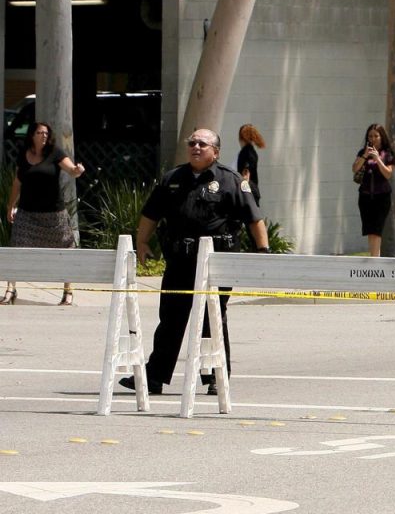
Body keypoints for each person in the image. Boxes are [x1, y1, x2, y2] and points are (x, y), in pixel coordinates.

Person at [121, 128, 267, 396]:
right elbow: (151, 214)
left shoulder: (231, 181)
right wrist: (142, 242)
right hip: (180, 260)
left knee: (213, 320)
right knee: (171, 319)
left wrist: (263, 252)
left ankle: (215, 377)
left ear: (216, 151)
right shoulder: (173, 178)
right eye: (192, 143)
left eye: (202, 143)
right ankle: (154, 377)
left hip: (216, 264)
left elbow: (253, 219)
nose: (196, 147)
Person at [3, 122, 87, 306]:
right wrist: (10, 205)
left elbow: (71, 170)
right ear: (32, 135)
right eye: (40, 132)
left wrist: (77, 170)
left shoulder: (54, 153)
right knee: (16, 247)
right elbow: (17, 183)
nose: (43, 136)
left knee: (66, 248)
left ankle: (68, 292)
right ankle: (10, 289)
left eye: (46, 133)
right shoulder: (24, 155)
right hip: (27, 213)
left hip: (53, 214)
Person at [352, 123, 395, 257]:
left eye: (376, 136)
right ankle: (373, 255)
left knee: (377, 228)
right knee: (369, 229)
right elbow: (355, 168)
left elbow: (388, 174)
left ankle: (375, 259)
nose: (373, 139)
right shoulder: (362, 152)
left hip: (381, 196)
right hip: (365, 195)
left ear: (381, 137)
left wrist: (378, 159)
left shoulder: (387, 153)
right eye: (370, 136)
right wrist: (365, 156)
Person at [237, 124, 265, 205]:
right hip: (251, 190)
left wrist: (242, 194)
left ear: (241, 138)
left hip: (248, 192)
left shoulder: (246, 152)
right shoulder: (252, 151)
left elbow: (246, 175)